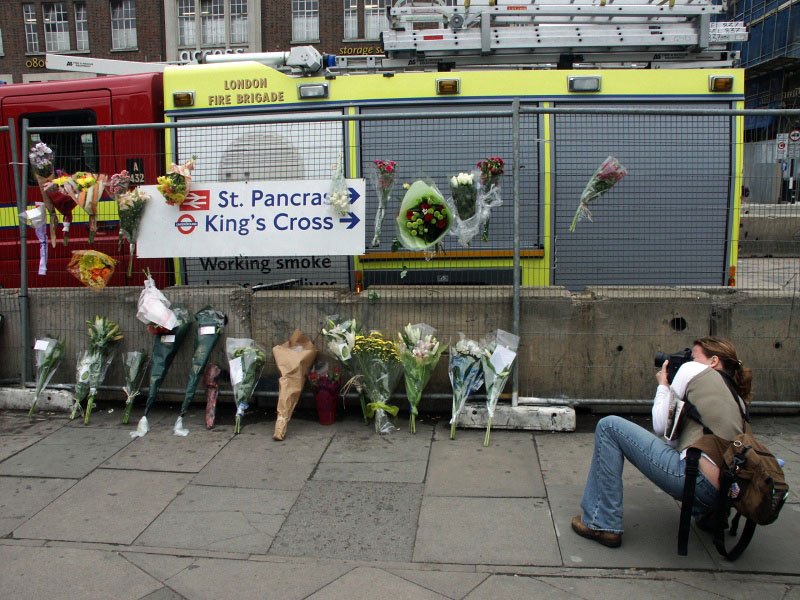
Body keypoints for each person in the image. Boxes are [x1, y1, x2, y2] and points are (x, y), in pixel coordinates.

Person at [571, 336, 753, 548]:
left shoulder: (692, 371)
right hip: (728, 493)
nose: (688, 361)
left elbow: (660, 427)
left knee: (609, 426)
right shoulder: (737, 398)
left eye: (693, 356)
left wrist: (664, 385)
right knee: (699, 453)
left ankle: (601, 522)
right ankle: (710, 517)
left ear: (713, 361)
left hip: (697, 483)